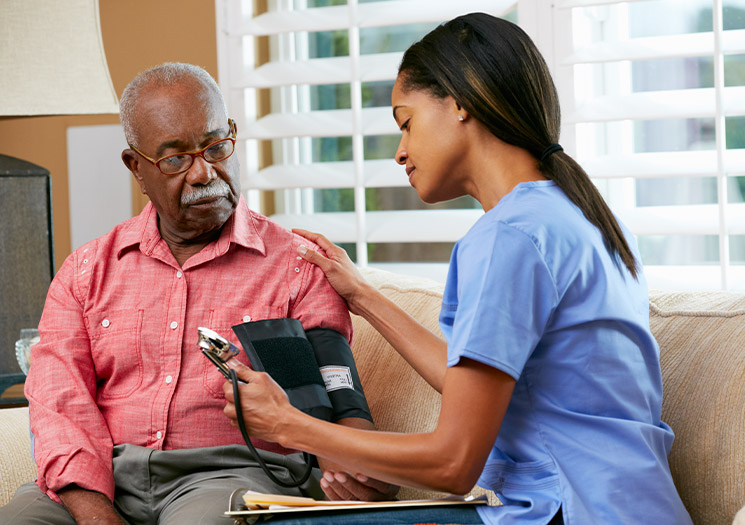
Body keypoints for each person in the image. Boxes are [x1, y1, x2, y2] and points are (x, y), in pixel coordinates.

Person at [221, 13, 694, 525]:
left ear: (460, 101)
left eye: (406, 122)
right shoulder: (577, 215)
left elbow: (453, 462)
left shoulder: (508, 239)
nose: (400, 151)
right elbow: (476, 384)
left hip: (566, 510)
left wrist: (291, 426)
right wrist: (362, 296)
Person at [0, 62, 396, 525]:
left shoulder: (298, 266)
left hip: (228, 478)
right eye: (175, 158)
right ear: (137, 168)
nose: (204, 172)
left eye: (216, 146)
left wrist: (365, 468)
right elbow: (57, 403)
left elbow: (337, 395)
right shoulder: (86, 271)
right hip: (102, 477)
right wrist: (95, 514)